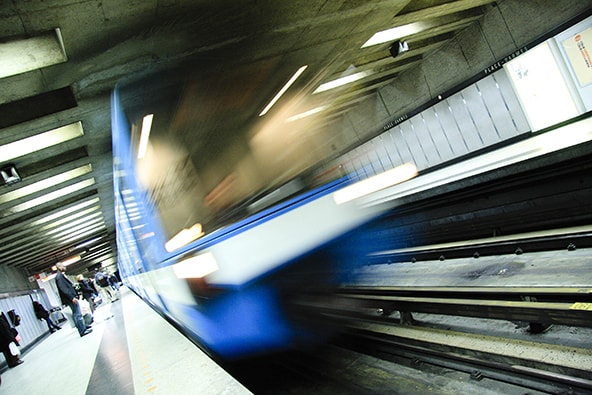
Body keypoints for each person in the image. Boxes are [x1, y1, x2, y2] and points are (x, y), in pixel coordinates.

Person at [55, 262, 92, 337]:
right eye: (62, 266)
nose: (64, 267)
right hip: (70, 298)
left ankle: (83, 327)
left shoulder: (61, 276)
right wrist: (71, 297)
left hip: (70, 298)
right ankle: (82, 330)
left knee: (77, 313)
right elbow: (64, 288)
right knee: (77, 314)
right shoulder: (59, 277)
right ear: (58, 267)